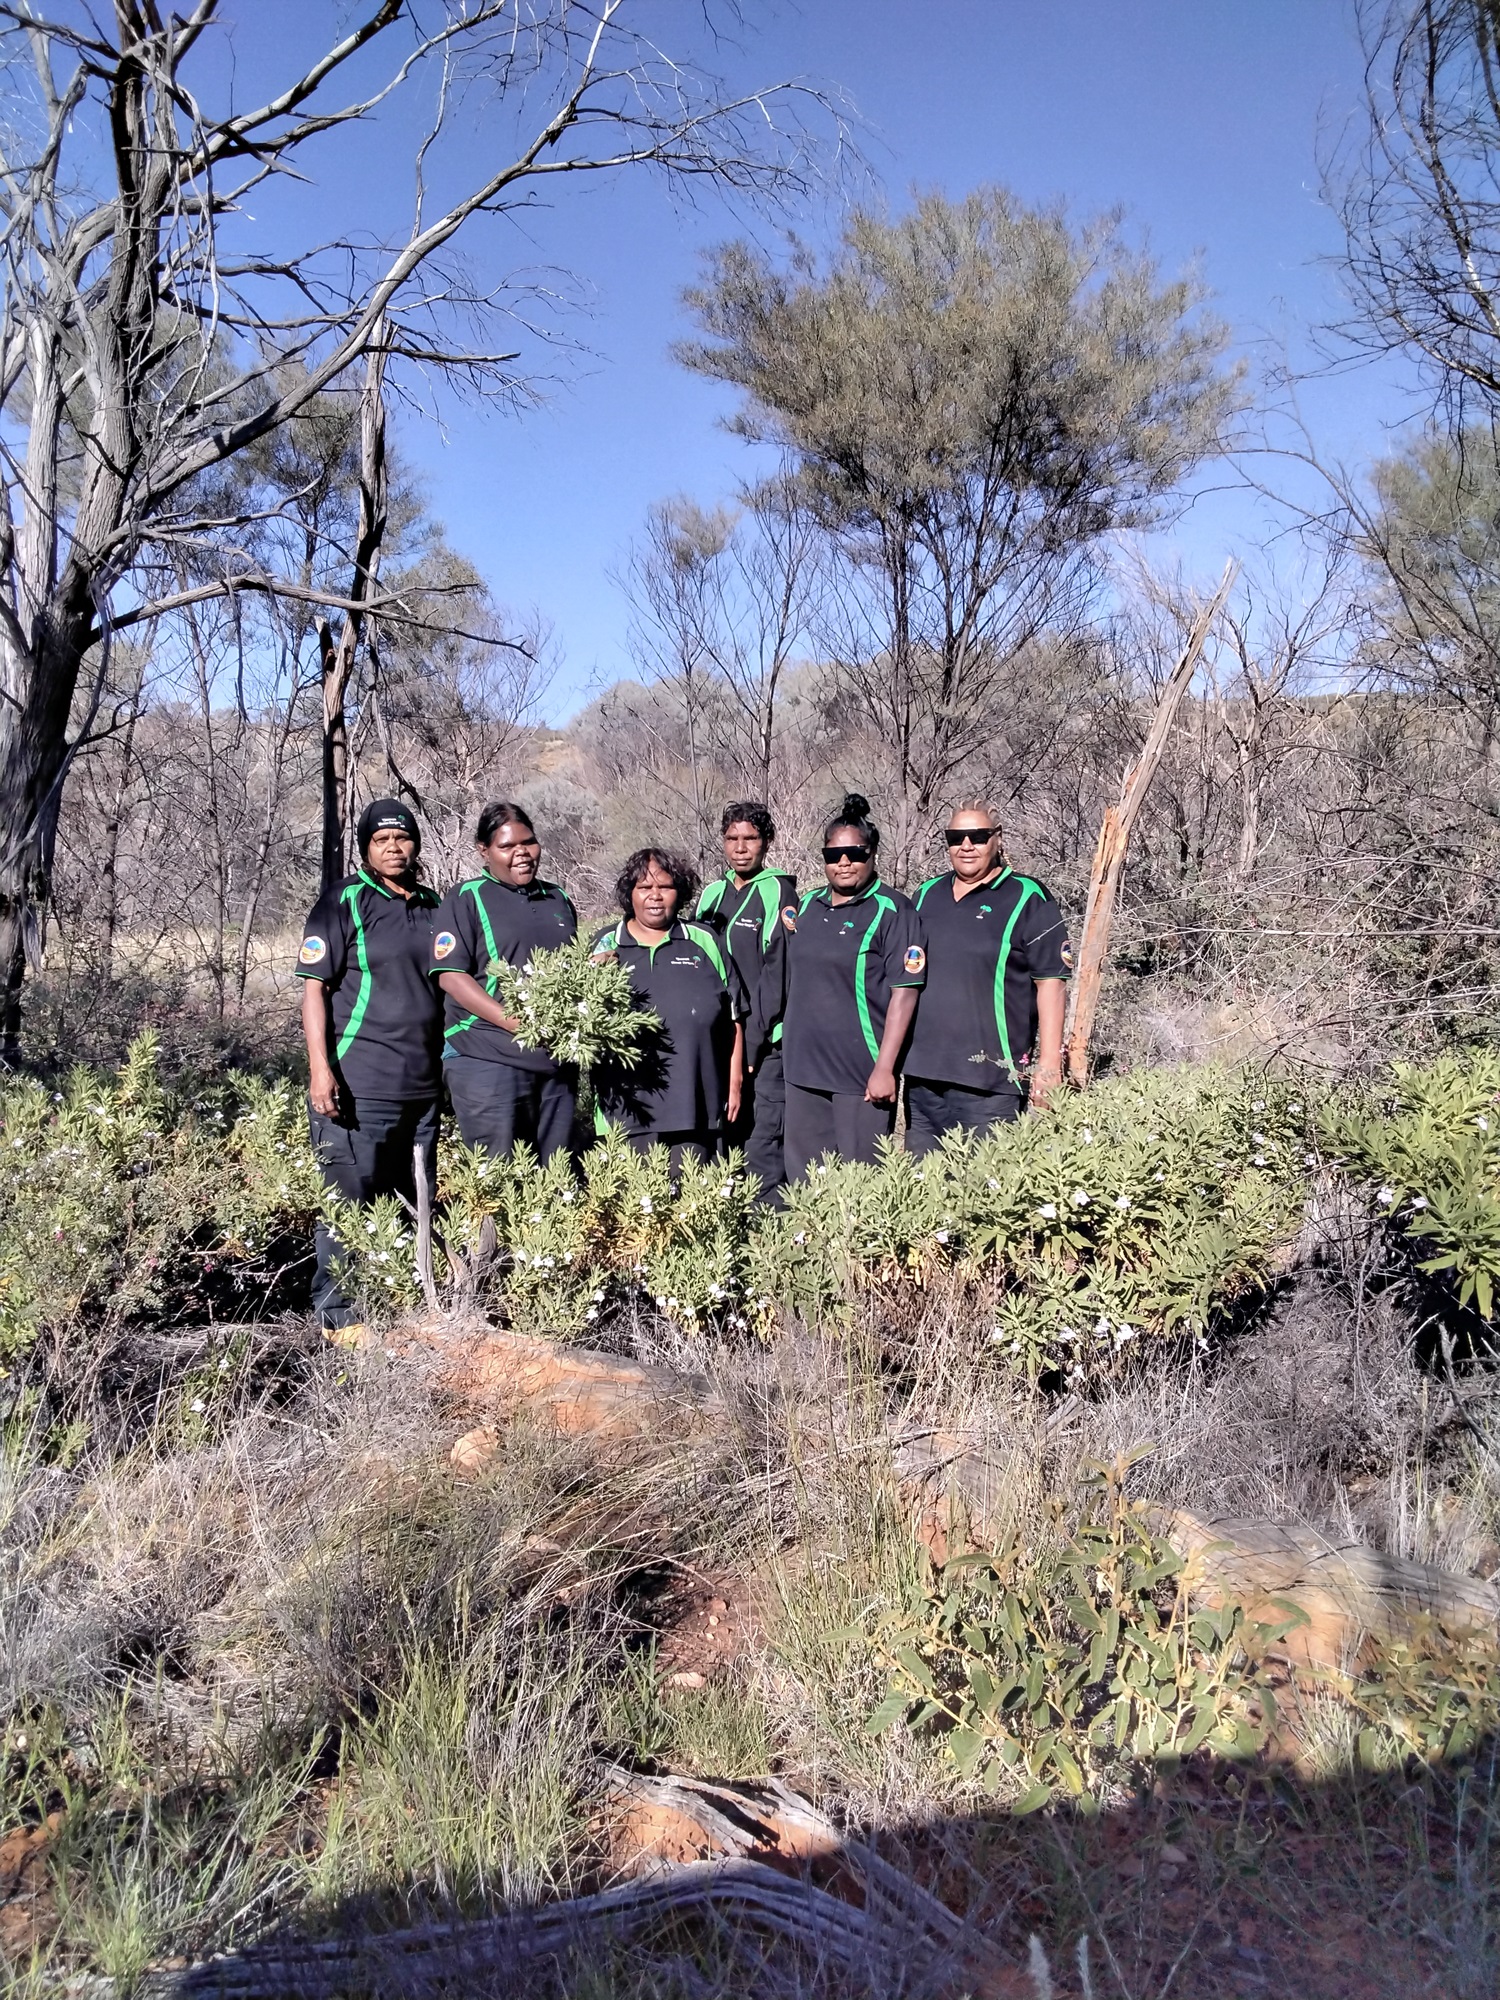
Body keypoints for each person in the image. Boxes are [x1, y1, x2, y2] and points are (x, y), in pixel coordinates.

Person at [297, 798, 443, 1329]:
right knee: (348, 1204)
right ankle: (341, 1321)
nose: (393, 847)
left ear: (415, 843)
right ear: (364, 848)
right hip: (358, 1081)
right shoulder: (343, 902)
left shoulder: (433, 906)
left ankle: (401, 1308)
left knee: (409, 1202)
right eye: (381, 840)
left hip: (423, 1086)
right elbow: (315, 990)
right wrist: (321, 1069)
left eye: (402, 838)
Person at [767, 792, 927, 1178]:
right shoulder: (806, 907)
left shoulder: (893, 910)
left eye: (855, 853)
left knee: (859, 1184)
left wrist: (885, 1068)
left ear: (872, 854)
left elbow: (905, 994)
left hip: (860, 1074)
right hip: (803, 1070)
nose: (844, 863)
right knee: (804, 1182)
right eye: (833, 855)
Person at [903, 803, 1070, 1151]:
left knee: (986, 1195)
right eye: (956, 837)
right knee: (924, 1193)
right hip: (923, 1079)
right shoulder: (925, 896)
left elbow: (1051, 982)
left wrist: (1049, 1066)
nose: (966, 845)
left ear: (997, 839)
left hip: (991, 1083)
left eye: (978, 837)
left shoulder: (1027, 897)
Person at [429, 801, 579, 1163]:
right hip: (488, 1059)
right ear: (484, 850)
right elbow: (450, 976)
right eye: (507, 846)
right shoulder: (467, 897)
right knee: (499, 1180)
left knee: (557, 1181)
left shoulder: (556, 898)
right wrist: (515, 1022)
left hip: (555, 1063)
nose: (522, 854)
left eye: (528, 842)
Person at [591, 848, 748, 1171]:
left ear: (681, 891)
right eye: (644, 888)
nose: (655, 896)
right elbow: (581, 1024)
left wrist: (735, 1082)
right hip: (626, 1112)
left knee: (694, 1206)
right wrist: (594, 977)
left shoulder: (704, 940)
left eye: (665, 887)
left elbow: (734, 1017)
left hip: (696, 1106)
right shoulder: (606, 944)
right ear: (629, 894)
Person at [693, 801, 798, 1196]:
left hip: (765, 1044)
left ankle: (768, 1230)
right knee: (724, 1131)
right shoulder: (712, 894)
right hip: (721, 1040)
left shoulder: (777, 891)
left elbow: (778, 972)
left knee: (762, 1138)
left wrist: (752, 1042)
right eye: (732, 838)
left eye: (750, 838)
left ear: (766, 841)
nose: (740, 847)